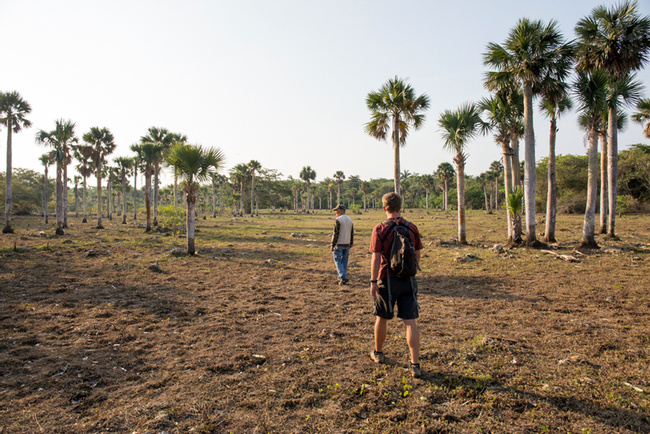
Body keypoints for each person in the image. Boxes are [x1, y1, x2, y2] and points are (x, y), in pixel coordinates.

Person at [369, 192, 423, 378]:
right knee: (410, 321)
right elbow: (416, 254)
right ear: (400, 207)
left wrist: (373, 281)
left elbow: (376, 257)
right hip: (408, 280)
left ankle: (378, 353)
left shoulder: (380, 229)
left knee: (381, 317)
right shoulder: (412, 227)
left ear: (384, 208)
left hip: (387, 280)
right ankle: (415, 363)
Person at [331, 204, 354, 285]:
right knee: (344, 261)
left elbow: (335, 233)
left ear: (341, 211)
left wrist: (332, 244)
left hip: (339, 243)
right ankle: (341, 278)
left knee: (337, 261)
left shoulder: (338, 220)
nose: (335, 212)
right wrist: (351, 243)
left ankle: (343, 276)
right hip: (347, 243)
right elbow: (352, 233)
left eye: (336, 210)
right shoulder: (350, 220)